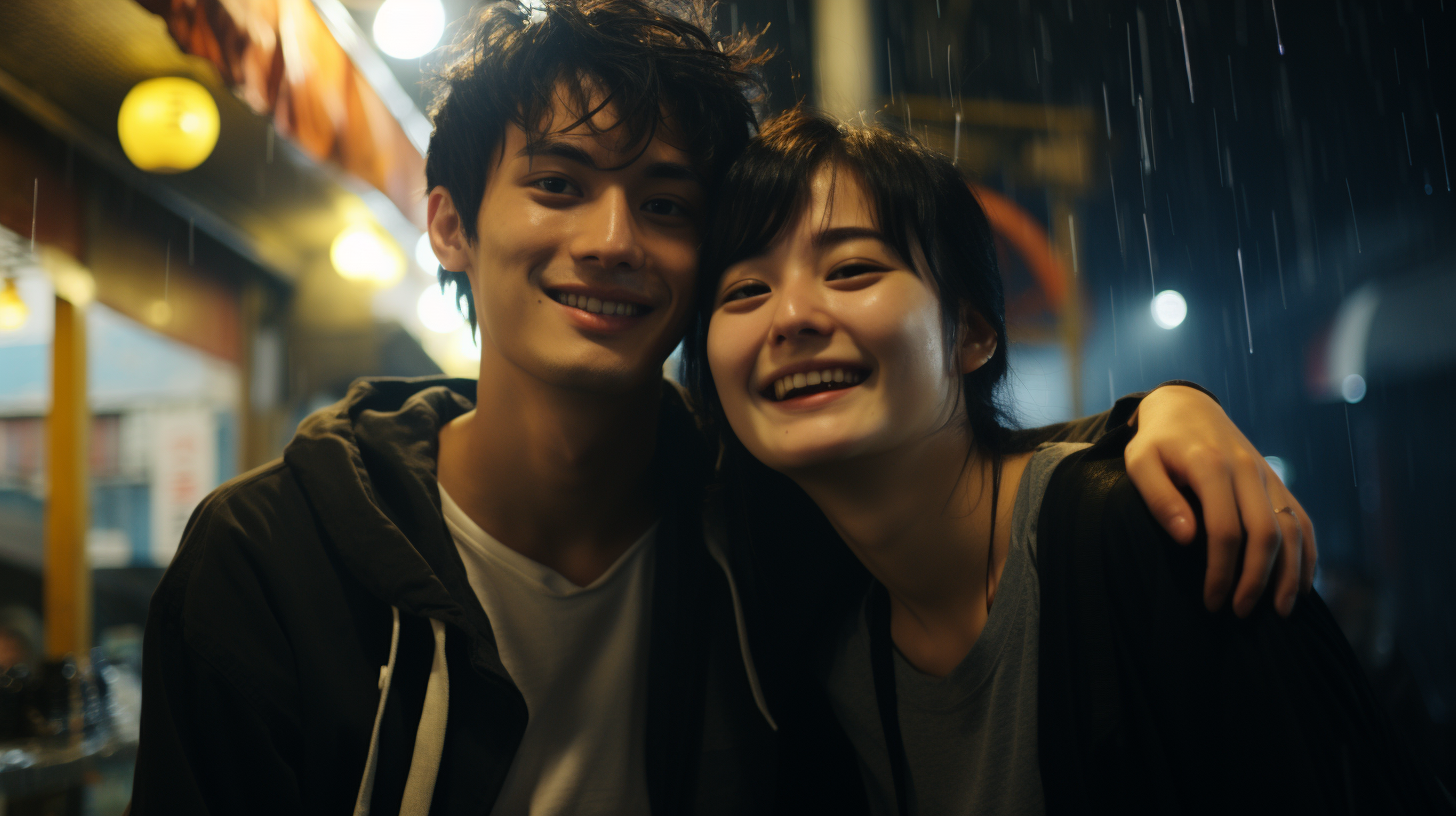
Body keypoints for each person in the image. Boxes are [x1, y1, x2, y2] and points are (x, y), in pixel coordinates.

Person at [131, 3, 1317, 814]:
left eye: (665, 203)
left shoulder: (761, 519)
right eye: (556, 186)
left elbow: (932, 464)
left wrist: (1151, 416)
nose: (610, 242)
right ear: (449, 222)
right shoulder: (271, 562)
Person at [687, 108, 1451, 814]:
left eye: (852, 269)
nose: (789, 318)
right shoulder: (833, 657)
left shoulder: (1148, 529)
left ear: (972, 335)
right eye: (745, 289)